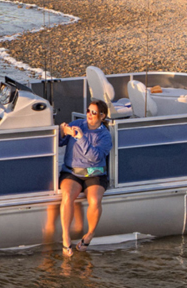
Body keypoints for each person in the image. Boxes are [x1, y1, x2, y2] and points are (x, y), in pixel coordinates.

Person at [57, 99, 112, 257]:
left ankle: (90, 234)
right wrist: (62, 131)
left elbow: (95, 157)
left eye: (94, 112)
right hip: (72, 172)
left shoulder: (105, 135)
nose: (89, 114)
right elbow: (60, 142)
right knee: (67, 195)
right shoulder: (77, 124)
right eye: (88, 111)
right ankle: (65, 236)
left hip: (95, 173)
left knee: (94, 199)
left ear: (102, 116)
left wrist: (81, 138)